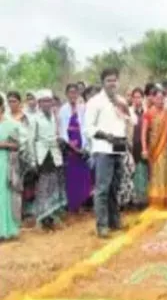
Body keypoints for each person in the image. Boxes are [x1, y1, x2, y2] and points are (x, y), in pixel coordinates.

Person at [84, 68, 132, 238]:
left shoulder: (120, 100)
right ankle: (102, 225)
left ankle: (114, 220)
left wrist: (126, 109)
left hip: (119, 146)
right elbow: (89, 128)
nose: (112, 83)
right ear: (103, 82)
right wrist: (107, 136)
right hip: (103, 148)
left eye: (114, 80)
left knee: (115, 187)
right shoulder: (95, 102)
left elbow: (132, 120)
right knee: (102, 188)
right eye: (109, 80)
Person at [32, 90, 67, 230]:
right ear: (39, 103)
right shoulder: (35, 118)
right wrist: (33, 161)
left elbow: (60, 134)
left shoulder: (55, 116)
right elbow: (31, 140)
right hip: (42, 155)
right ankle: (43, 219)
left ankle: (53, 216)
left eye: (49, 100)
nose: (47, 103)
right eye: (44, 101)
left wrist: (60, 140)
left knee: (55, 185)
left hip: (55, 153)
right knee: (44, 187)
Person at [59, 83, 92, 213]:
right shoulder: (63, 110)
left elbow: (86, 127)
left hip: (82, 145)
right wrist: (70, 145)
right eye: (70, 92)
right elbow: (62, 130)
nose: (73, 95)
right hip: (69, 147)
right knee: (71, 176)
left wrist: (84, 147)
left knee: (83, 175)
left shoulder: (83, 108)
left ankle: (83, 203)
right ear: (67, 94)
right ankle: (73, 205)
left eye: (75, 92)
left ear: (78, 94)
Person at [141, 88, 167, 208]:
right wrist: (144, 149)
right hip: (155, 149)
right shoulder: (148, 113)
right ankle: (157, 201)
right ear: (153, 98)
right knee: (157, 174)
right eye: (158, 98)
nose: (160, 101)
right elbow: (144, 133)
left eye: (162, 98)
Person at [6, 91, 36, 218]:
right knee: (9, 184)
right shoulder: (5, 117)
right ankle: (11, 214)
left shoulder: (26, 118)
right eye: (9, 101)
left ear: (20, 102)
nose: (12, 103)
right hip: (7, 155)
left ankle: (25, 213)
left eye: (14, 101)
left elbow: (29, 138)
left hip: (23, 155)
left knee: (24, 184)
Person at [0, 95, 22, 241]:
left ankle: (6, 230)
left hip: (6, 164)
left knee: (5, 196)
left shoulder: (12, 124)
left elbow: (18, 145)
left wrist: (5, 145)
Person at [130, 87, 148, 207]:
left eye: (139, 97)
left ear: (143, 98)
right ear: (132, 99)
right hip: (132, 146)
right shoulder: (128, 111)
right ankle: (135, 199)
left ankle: (143, 198)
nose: (137, 99)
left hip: (144, 146)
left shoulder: (146, 112)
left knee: (143, 171)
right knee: (134, 171)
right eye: (135, 97)